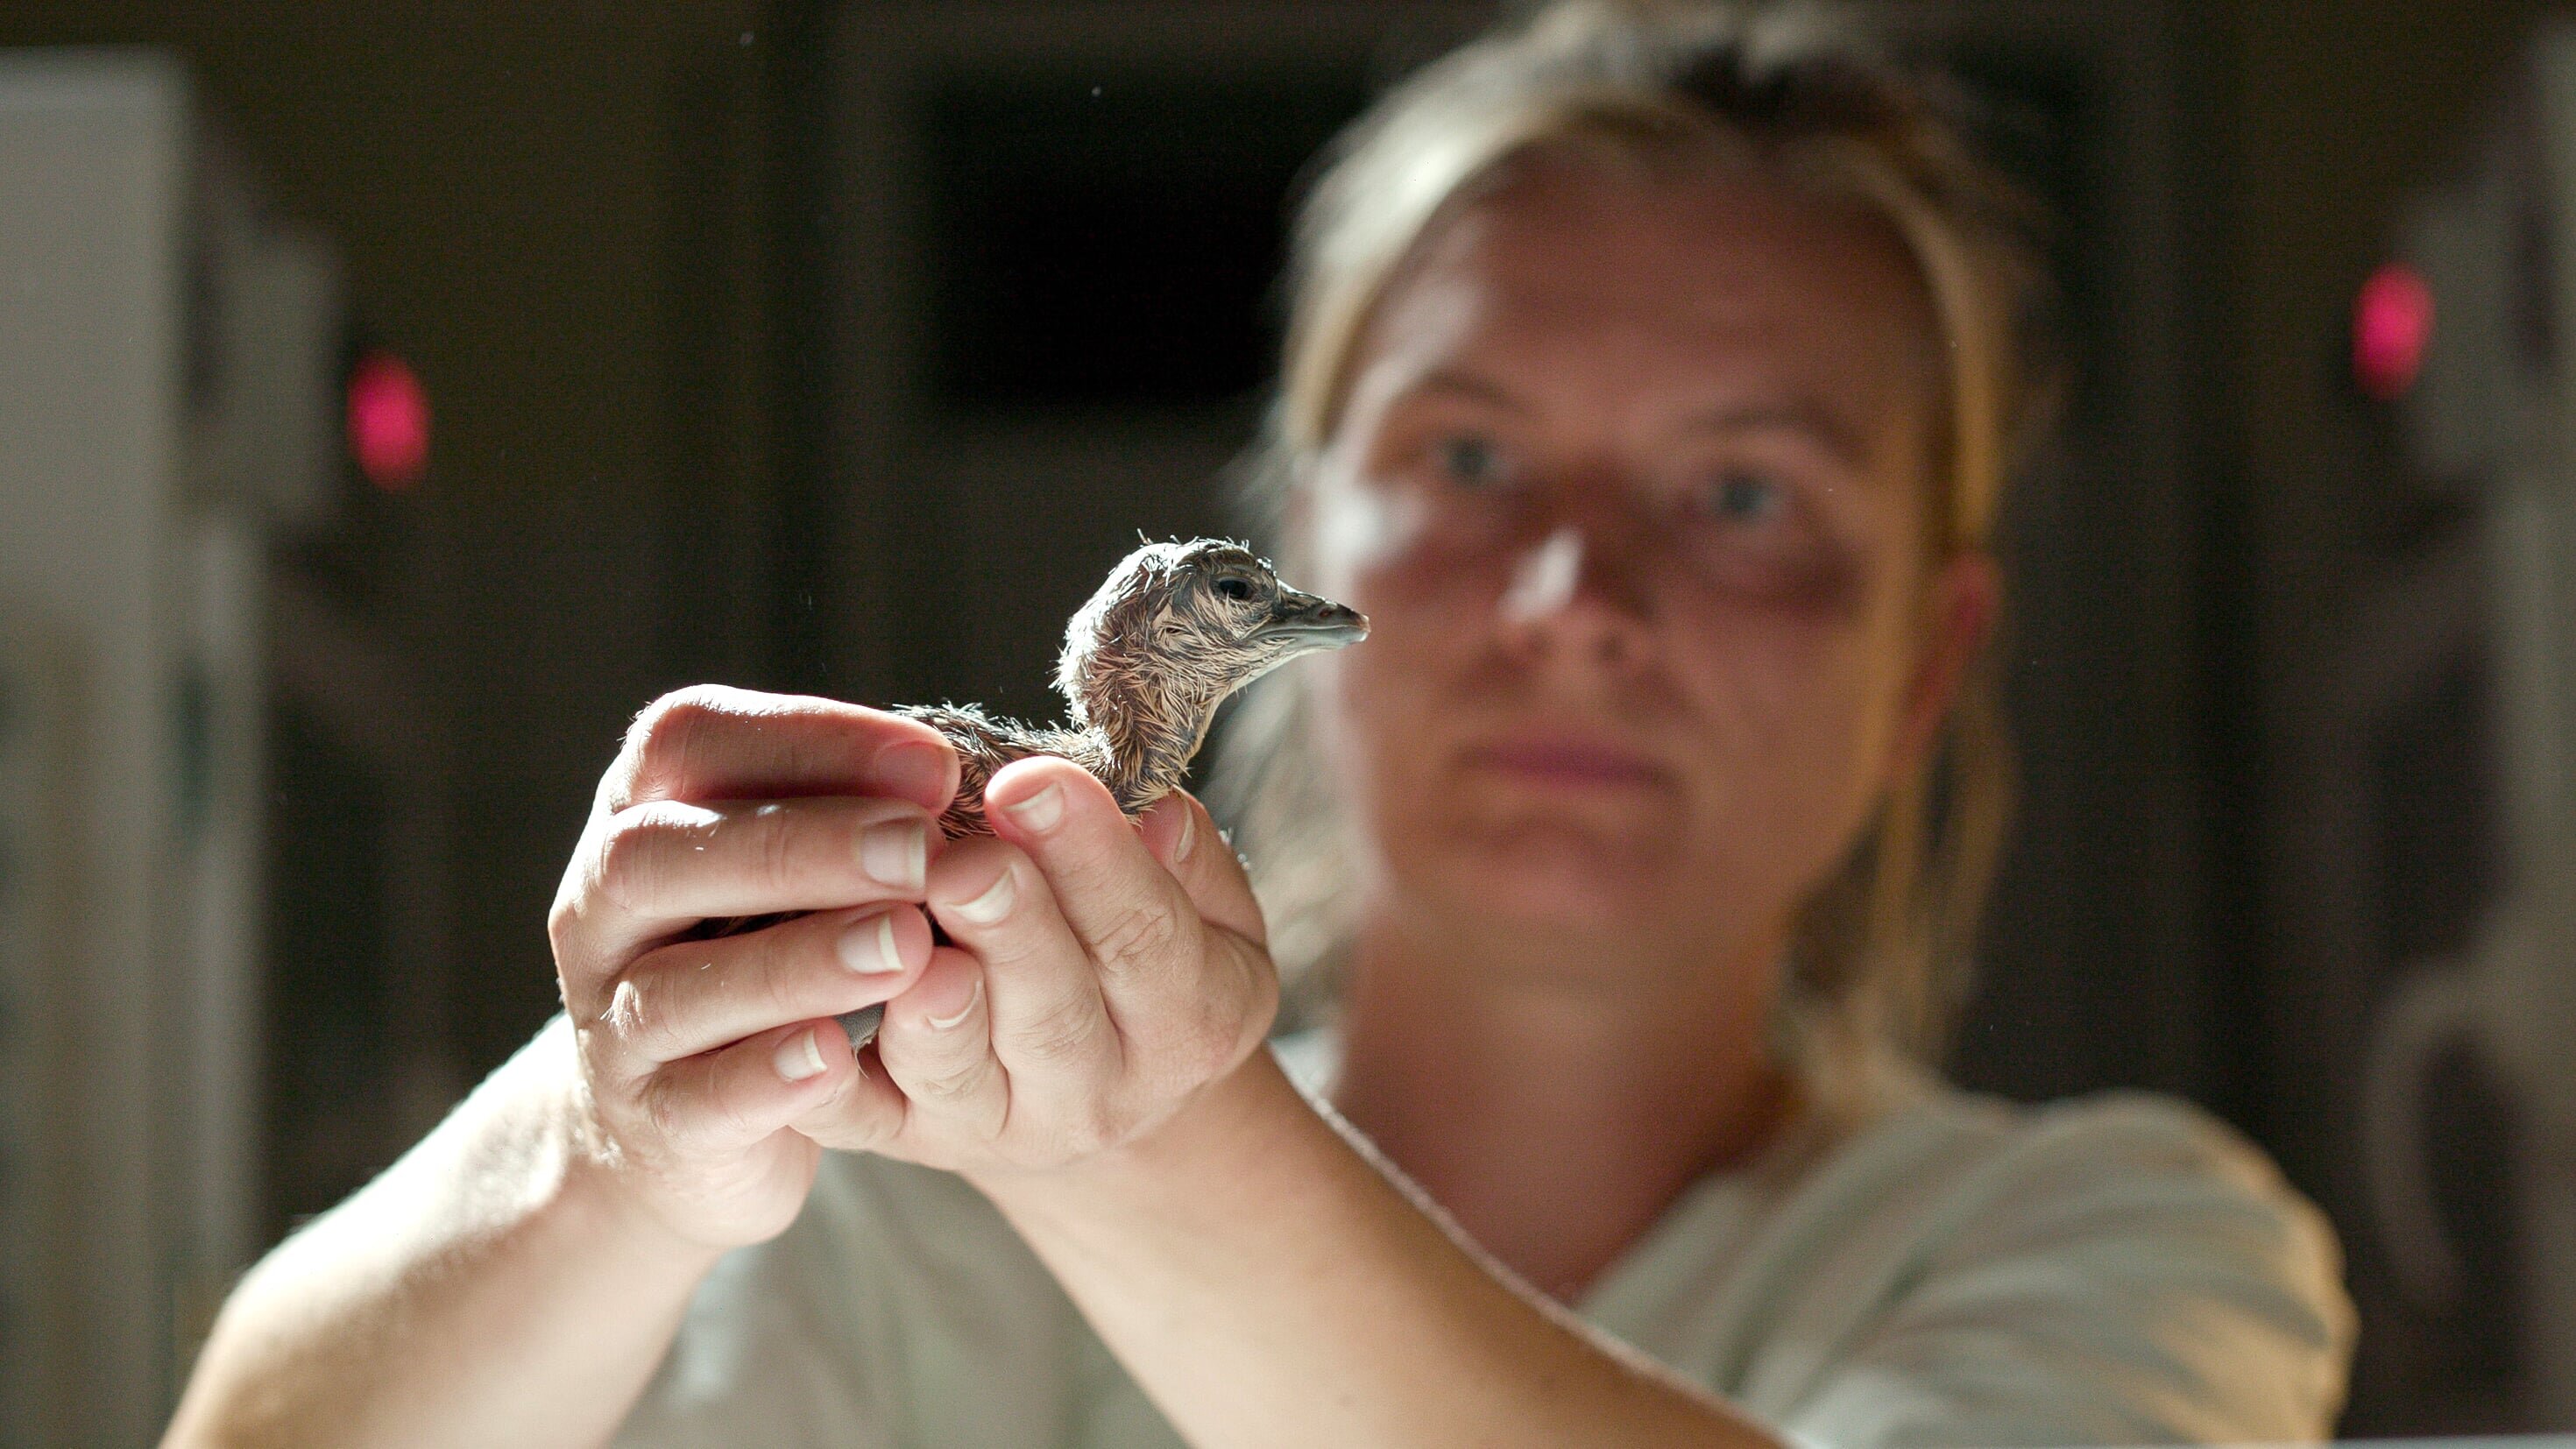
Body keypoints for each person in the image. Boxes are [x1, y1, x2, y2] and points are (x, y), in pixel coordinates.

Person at [165, 4, 2356, 1445]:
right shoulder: (890, 1182)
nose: (1578, 598)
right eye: (1475, 462)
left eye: (1745, 496)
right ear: (1305, 532)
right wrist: (621, 1130)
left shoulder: (2134, 1240)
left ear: (1924, 662)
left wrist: (1149, 1129)